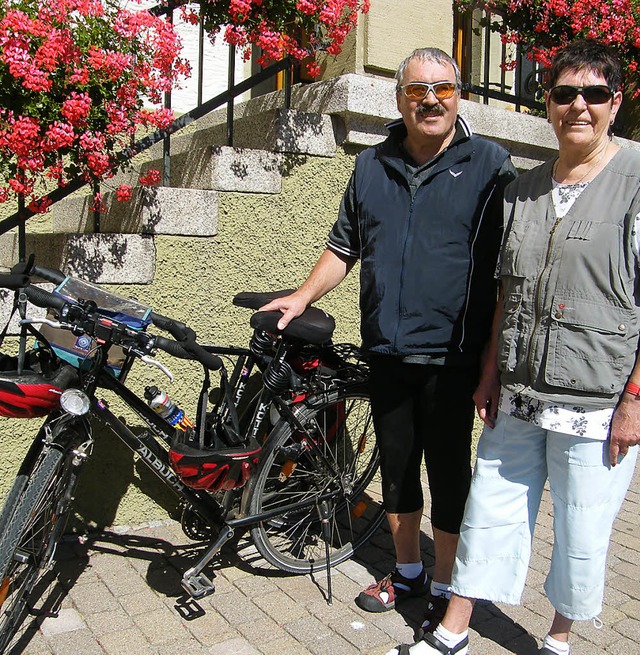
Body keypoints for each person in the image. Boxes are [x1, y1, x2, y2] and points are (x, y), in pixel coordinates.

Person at [388, 39, 640, 655]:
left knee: (582, 525)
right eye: (563, 94)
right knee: (488, 510)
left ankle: (559, 636)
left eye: (594, 94)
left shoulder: (636, 181)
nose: (578, 105)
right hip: (520, 391)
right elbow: (506, 292)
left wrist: (635, 399)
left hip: (598, 399)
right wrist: (489, 372)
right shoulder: (524, 188)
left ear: (616, 103)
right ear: (547, 104)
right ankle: (455, 628)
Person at [259, 47, 516, 628]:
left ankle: (449, 584)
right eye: (418, 89)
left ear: (460, 95)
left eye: (443, 88)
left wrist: (492, 364)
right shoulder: (370, 165)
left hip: (453, 356)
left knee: (451, 475)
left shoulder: (490, 166)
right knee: (398, 471)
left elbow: (509, 274)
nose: (430, 99)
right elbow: (343, 247)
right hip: (387, 351)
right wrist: (302, 295)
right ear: (399, 97)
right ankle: (407, 574)